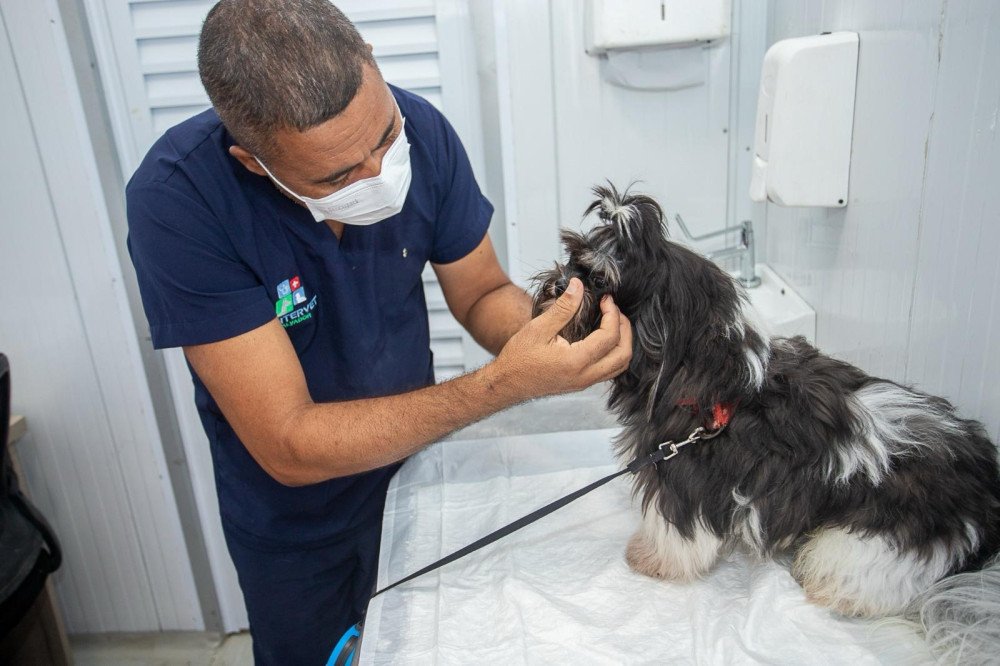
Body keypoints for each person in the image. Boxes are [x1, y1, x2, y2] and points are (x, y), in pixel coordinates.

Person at [125, 0, 632, 663]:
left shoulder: (422, 129)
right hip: (299, 528)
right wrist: (501, 386)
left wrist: (557, 331)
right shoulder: (182, 202)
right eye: (338, 176)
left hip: (420, 477)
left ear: (373, 64)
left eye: (383, 138)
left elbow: (480, 292)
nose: (377, 176)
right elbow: (290, 442)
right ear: (254, 162)